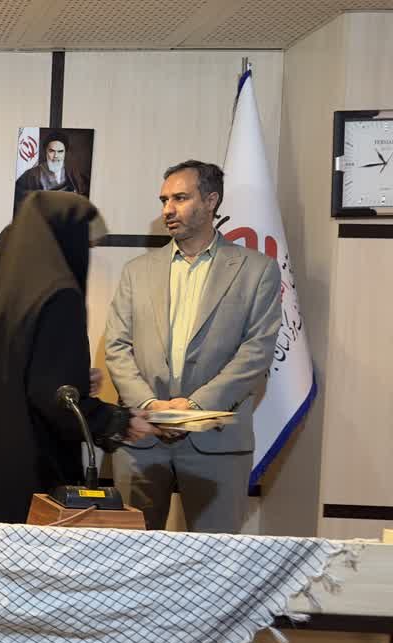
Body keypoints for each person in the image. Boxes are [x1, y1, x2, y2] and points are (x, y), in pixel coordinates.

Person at [0, 192, 157, 523]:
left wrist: (73, 376)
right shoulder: (58, 294)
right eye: (86, 243)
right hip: (24, 468)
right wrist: (117, 422)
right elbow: (54, 398)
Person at [105, 160, 282, 532]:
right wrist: (150, 406)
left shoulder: (257, 270)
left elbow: (256, 352)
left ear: (211, 201)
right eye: (164, 200)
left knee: (215, 559)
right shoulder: (137, 271)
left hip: (217, 442)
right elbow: (117, 347)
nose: (168, 209)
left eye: (180, 198)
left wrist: (195, 408)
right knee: (129, 557)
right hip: (142, 438)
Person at [14, 131, 88, 214]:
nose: (56, 156)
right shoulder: (31, 174)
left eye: (60, 151)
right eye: (52, 151)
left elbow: (83, 197)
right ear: (45, 151)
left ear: (65, 153)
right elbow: (18, 195)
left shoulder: (73, 174)